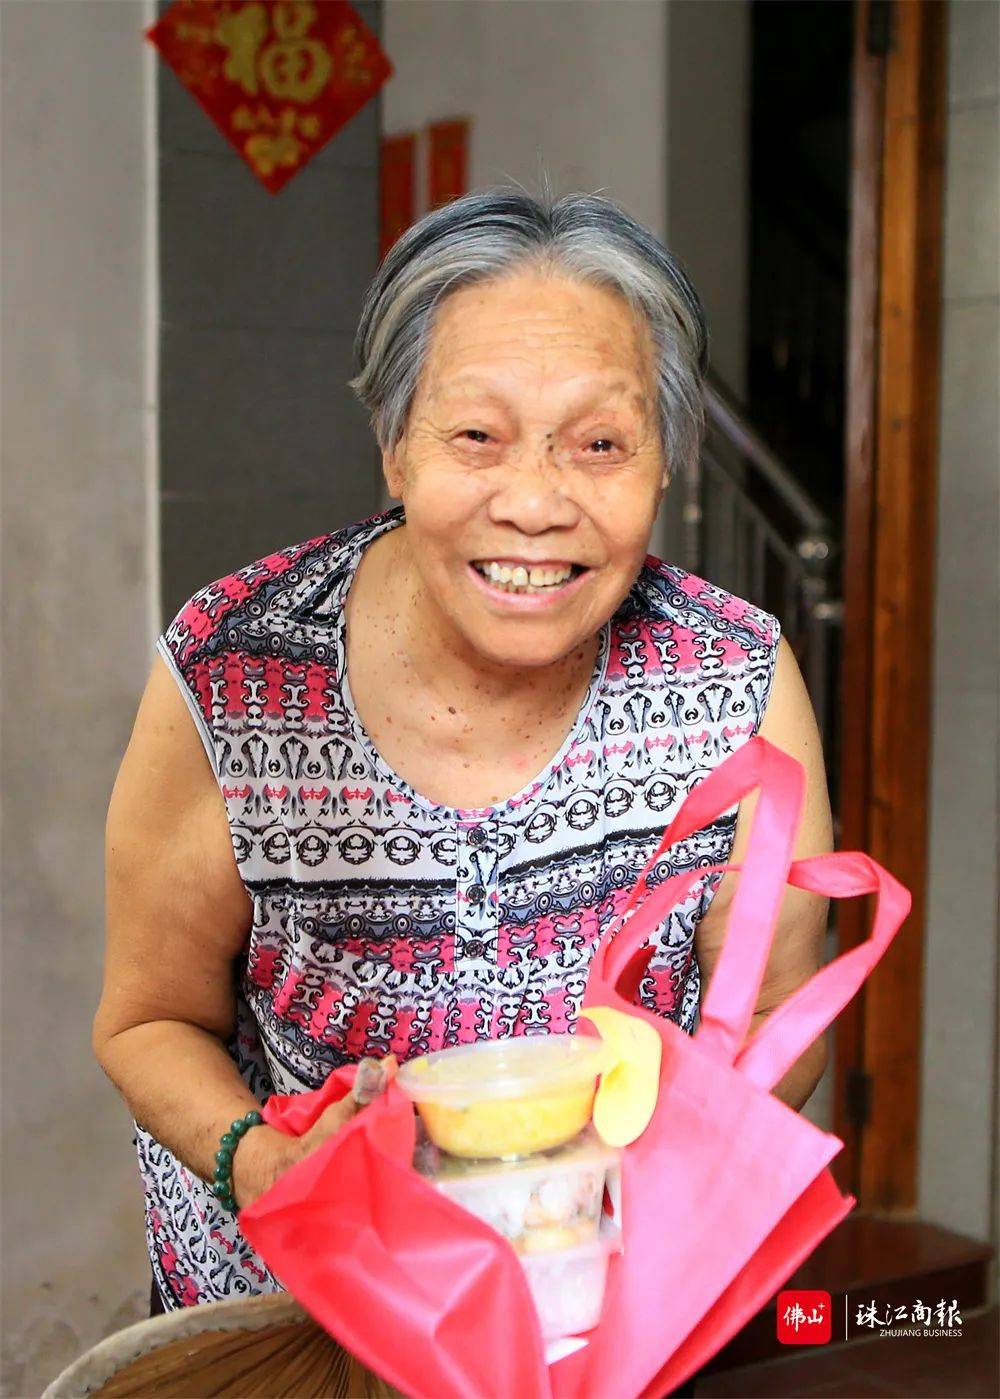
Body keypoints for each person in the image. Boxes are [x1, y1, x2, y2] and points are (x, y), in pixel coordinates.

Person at [94, 188, 832, 1383]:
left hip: (598, 1323)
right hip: (296, 1323)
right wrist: (258, 1159)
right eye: (476, 437)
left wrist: (625, 1180)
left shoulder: (733, 679)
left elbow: (779, 1024)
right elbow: (146, 1018)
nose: (536, 503)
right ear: (393, 445)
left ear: (664, 458)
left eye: (600, 442)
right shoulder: (238, 672)